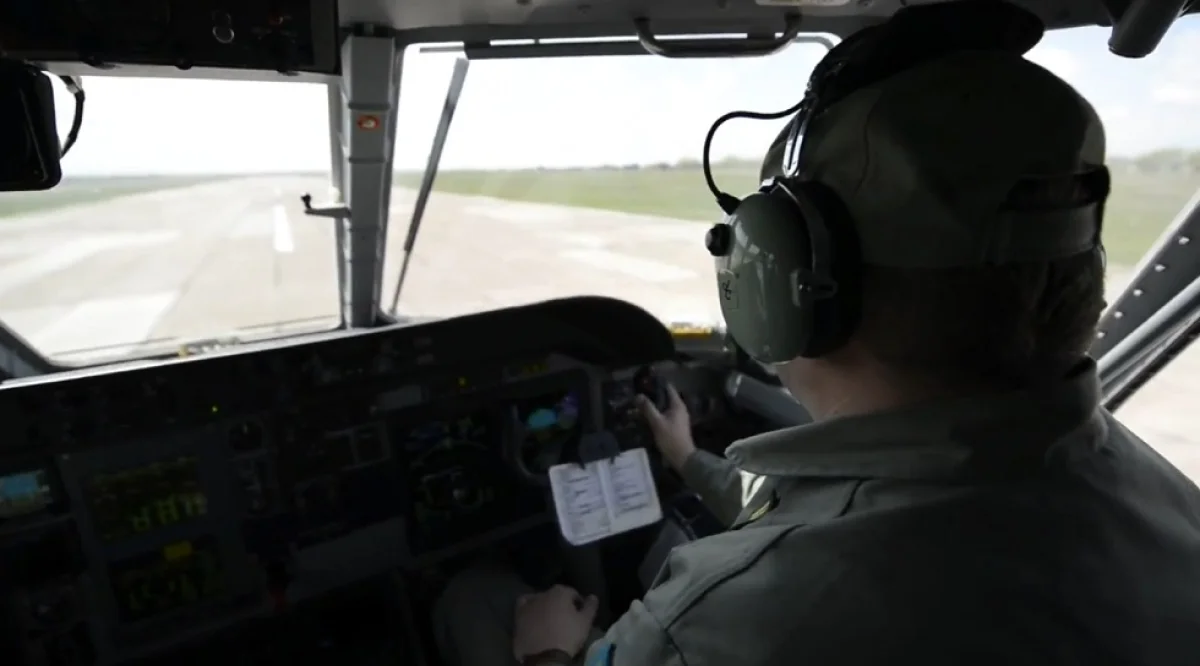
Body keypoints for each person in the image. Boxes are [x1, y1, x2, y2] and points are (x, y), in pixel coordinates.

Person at [433, 3, 1200, 665]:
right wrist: (683, 456)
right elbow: (829, 507)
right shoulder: (1159, 499)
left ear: (781, 283)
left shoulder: (727, 625)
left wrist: (549, 651)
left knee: (474, 602)